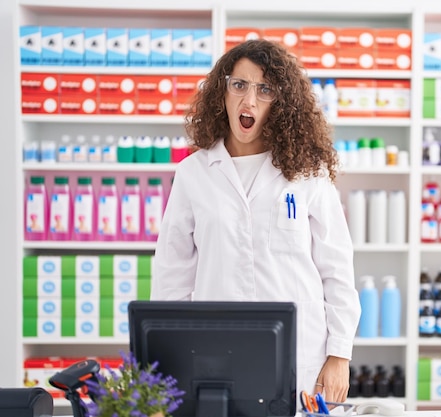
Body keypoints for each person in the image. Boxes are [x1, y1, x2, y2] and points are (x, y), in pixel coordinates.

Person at [150, 39, 361, 405]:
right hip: (215, 355)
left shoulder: (308, 173)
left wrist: (339, 354)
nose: (249, 101)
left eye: (265, 89)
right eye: (240, 85)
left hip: (301, 357)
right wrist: (168, 357)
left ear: (281, 102)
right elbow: (172, 274)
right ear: (223, 92)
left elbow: (337, 268)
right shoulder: (193, 174)